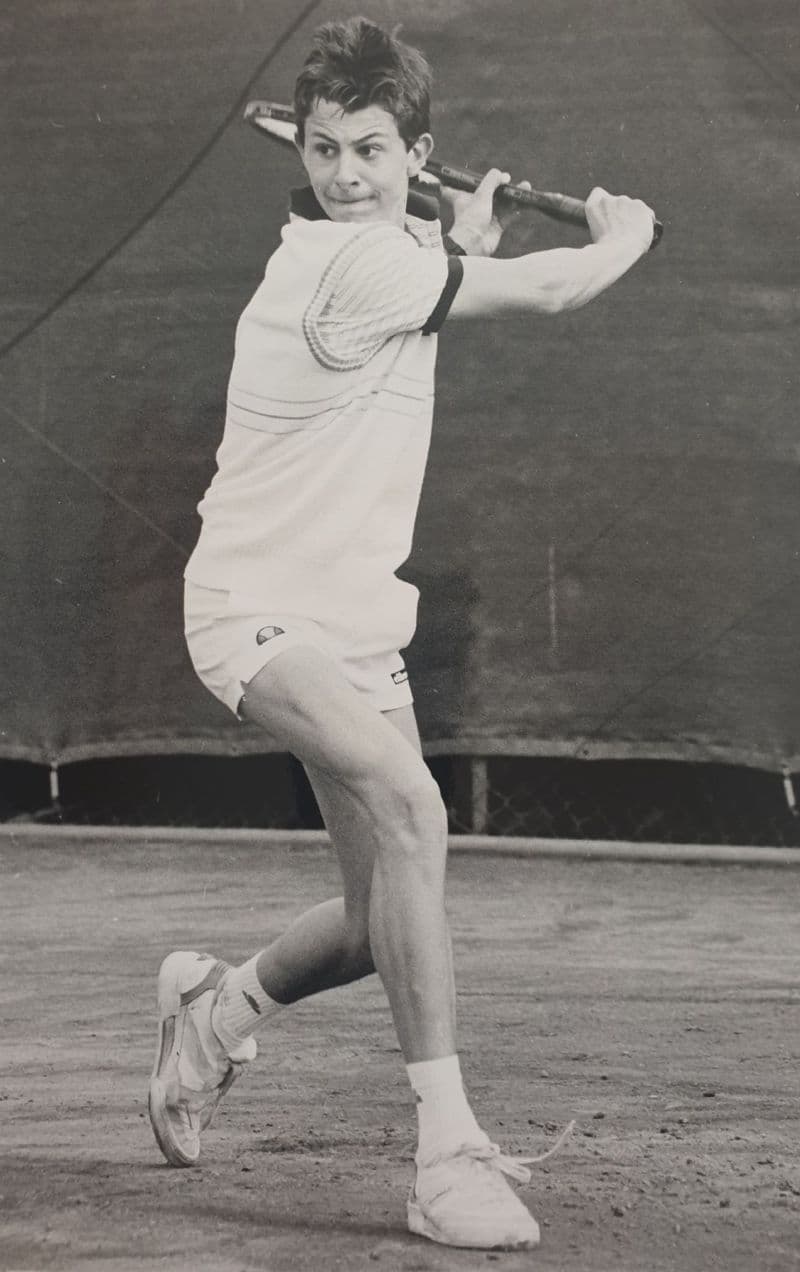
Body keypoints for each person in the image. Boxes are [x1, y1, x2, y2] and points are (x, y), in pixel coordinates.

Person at [148, 16, 655, 1252]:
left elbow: (414, 292)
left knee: (381, 916)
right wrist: (623, 237)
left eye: (370, 150)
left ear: (413, 152)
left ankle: (217, 1013)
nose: (343, 174)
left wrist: (454, 239)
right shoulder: (343, 264)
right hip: (254, 611)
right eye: (324, 149)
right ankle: (446, 1158)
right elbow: (552, 289)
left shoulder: (391, 250)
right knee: (415, 811)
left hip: (354, 623)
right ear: (303, 150)